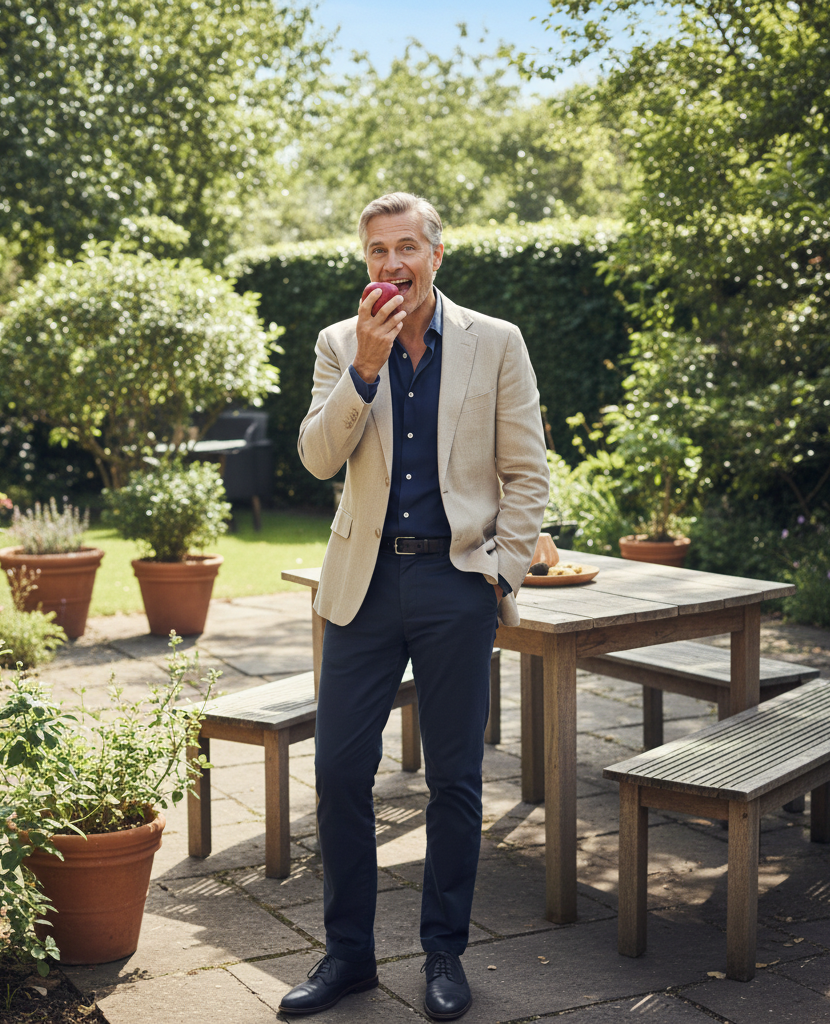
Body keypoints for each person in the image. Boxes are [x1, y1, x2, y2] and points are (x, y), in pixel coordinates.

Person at [279, 192, 549, 1020]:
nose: (390, 263)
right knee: (337, 770)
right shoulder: (338, 342)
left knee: (456, 781)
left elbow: (527, 472)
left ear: (438, 252)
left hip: (454, 583)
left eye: (405, 247)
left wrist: (498, 575)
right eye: (375, 251)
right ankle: (349, 958)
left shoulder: (495, 342)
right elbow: (319, 458)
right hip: (361, 586)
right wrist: (364, 365)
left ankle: (443, 954)